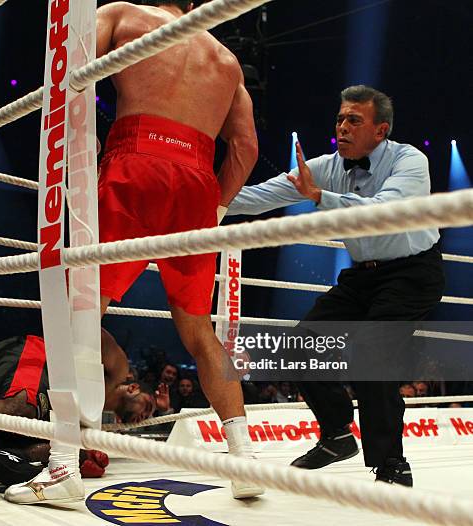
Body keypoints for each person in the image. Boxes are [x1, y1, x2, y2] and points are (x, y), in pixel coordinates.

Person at [227, 85, 445, 486]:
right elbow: (260, 196)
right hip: (363, 275)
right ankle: (338, 435)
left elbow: (383, 212)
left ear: (380, 130)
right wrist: (200, 198)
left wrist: (319, 196)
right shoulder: (326, 166)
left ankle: (391, 464)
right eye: (340, 119)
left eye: (354, 121)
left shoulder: (409, 160)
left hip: (412, 273)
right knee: (299, 346)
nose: (342, 127)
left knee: (372, 354)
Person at [90, 0, 261, 502]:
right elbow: (246, 147)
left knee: (82, 309)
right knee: (199, 331)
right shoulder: (225, 60)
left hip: (135, 162)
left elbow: (69, 85)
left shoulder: (122, 14)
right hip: (196, 185)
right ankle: (245, 459)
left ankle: (65, 456)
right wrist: (219, 207)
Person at [0, 329, 150, 506]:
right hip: (37, 355)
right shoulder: (119, 370)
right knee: (24, 404)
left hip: (27, 392)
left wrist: (81, 457)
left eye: (150, 414)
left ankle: (12, 459)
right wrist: (69, 365)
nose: (146, 414)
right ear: (132, 387)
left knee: (59, 445)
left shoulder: (92, 418)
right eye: (148, 404)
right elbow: (88, 327)